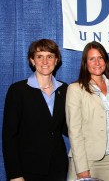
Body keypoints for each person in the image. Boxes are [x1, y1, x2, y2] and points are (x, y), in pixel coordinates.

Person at [2, 39, 68, 181]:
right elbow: (9, 137)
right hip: (28, 169)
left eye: (49, 56)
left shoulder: (65, 89)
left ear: (56, 60)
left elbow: (66, 127)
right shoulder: (18, 90)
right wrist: (15, 175)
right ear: (32, 60)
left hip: (58, 168)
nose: (45, 61)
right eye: (39, 56)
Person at [66, 41, 109, 181]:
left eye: (100, 58)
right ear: (85, 63)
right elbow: (74, 131)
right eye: (92, 59)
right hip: (86, 159)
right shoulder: (75, 89)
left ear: (105, 61)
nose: (97, 62)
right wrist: (82, 167)